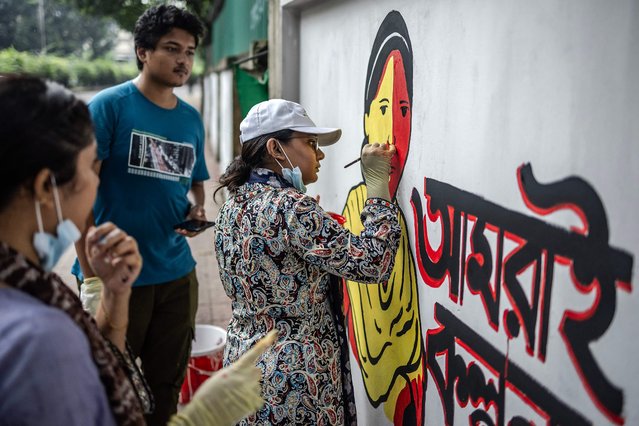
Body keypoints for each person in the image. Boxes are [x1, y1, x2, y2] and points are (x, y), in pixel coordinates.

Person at [0, 75, 276, 426]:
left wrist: (113, 297)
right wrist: (200, 420)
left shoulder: (27, 289)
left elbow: (103, 363)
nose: (98, 180)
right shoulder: (38, 340)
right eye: (89, 167)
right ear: (44, 186)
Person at [213, 98, 402, 425]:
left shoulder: (234, 205)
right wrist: (376, 188)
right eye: (311, 143)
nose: (320, 154)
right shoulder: (293, 208)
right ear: (275, 147)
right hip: (295, 383)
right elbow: (373, 263)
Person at [72, 5, 210, 424]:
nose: (183, 59)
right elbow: (78, 195)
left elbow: (195, 181)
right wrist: (90, 276)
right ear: (142, 52)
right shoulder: (109, 107)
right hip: (117, 279)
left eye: (189, 51)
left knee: (165, 389)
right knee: (113, 389)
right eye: (172, 48)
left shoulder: (190, 119)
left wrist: (197, 208)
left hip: (176, 277)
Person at [341, 11, 425, 425]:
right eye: (385, 106)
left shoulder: (411, 219)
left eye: (405, 110)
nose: (392, 130)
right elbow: (368, 265)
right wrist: (375, 189)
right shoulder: (356, 207)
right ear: (367, 117)